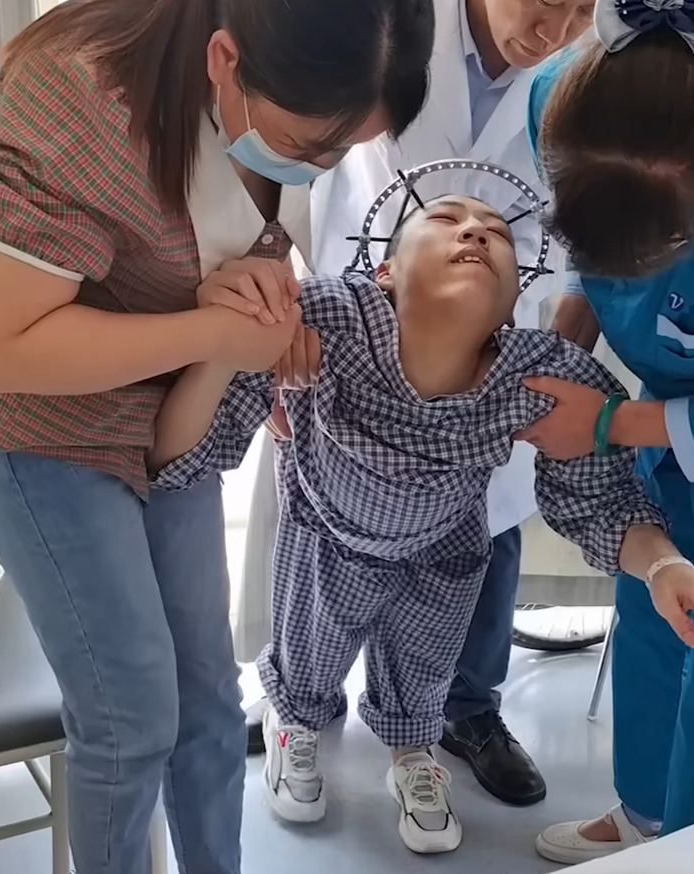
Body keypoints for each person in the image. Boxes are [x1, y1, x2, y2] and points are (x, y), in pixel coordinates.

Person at [0, 1, 435, 872]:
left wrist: (267, 309)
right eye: (314, 150)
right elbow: (6, 346)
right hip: (44, 422)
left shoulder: (295, 95)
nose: (323, 166)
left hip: (174, 420)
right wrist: (210, 337)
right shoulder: (77, 98)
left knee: (207, 697)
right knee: (131, 718)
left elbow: (242, 239)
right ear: (226, 61)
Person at [150, 192, 694, 855]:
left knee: (425, 666)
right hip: (328, 531)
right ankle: (294, 721)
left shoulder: (539, 375)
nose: (474, 231)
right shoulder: (326, 320)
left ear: (512, 300)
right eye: (446, 220)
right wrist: (246, 343)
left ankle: (414, 751)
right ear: (385, 272)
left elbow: (601, 501)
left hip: (444, 548)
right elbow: (188, 447)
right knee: (309, 652)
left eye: (496, 234)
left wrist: (663, 565)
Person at [242, 0, 596, 807]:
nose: (557, 31)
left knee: (475, 541)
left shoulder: (580, 75)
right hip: (352, 332)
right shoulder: (386, 22)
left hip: (491, 356)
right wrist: (268, 303)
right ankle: (302, 704)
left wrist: (557, 353)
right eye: (546, 2)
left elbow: (587, 231)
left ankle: (462, 711)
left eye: (584, 11)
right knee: (319, 548)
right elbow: (280, 132)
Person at [519, 2, 694, 864]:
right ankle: (647, 816)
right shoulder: (561, 98)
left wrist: (609, 420)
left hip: (663, 413)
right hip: (665, 430)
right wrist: (567, 342)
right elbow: (582, 259)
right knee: (658, 601)